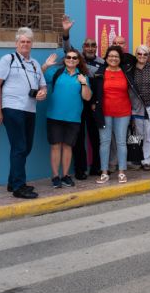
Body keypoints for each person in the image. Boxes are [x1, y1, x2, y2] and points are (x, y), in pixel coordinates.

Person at [0, 27, 48, 199]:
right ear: (16, 43)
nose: (25, 44)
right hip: (12, 108)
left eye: (28, 41)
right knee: (19, 146)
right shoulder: (7, 60)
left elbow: (43, 86)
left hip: (30, 109)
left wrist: (42, 93)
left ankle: (12, 181)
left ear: (32, 44)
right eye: (22, 41)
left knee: (26, 147)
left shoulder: (35, 64)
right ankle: (19, 187)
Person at [92, 46, 144, 184]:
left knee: (121, 142)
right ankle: (104, 172)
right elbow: (95, 92)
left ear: (120, 59)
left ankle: (121, 172)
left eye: (116, 56)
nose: (113, 58)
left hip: (123, 112)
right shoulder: (100, 73)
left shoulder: (126, 72)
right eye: (111, 56)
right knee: (105, 143)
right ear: (106, 57)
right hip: (105, 113)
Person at [62, 15, 105, 179]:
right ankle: (80, 170)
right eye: (87, 45)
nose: (90, 47)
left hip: (93, 104)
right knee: (78, 137)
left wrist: (97, 103)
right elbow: (67, 48)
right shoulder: (76, 59)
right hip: (78, 103)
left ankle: (97, 167)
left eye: (93, 45)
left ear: (96, 47)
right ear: (83, 47)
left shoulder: (102, 62)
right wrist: (66, 32)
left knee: (96, 137)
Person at [41, 49, 92, 188]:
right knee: (55, 146)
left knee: (68, 147)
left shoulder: (82, 76)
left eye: (74, 58)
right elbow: (37, 77)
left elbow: (87, 97)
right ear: (64, 59)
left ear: (78, 61)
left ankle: (65, 175)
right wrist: (45, 66)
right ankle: (55, 176)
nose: (71, 59)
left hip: (73, 118)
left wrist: (84, 83)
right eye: (68, 57)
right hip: (54, 117)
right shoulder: (56, 73)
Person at [131, 45, 150, 171]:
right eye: (139, 54)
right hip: (136, 105)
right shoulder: (131, 69)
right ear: (136, 55)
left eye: (145, 54)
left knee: (149, 132)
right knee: (136, 133)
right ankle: (135, 158)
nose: (142, 56)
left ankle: (146, 159)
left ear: (148, 56)